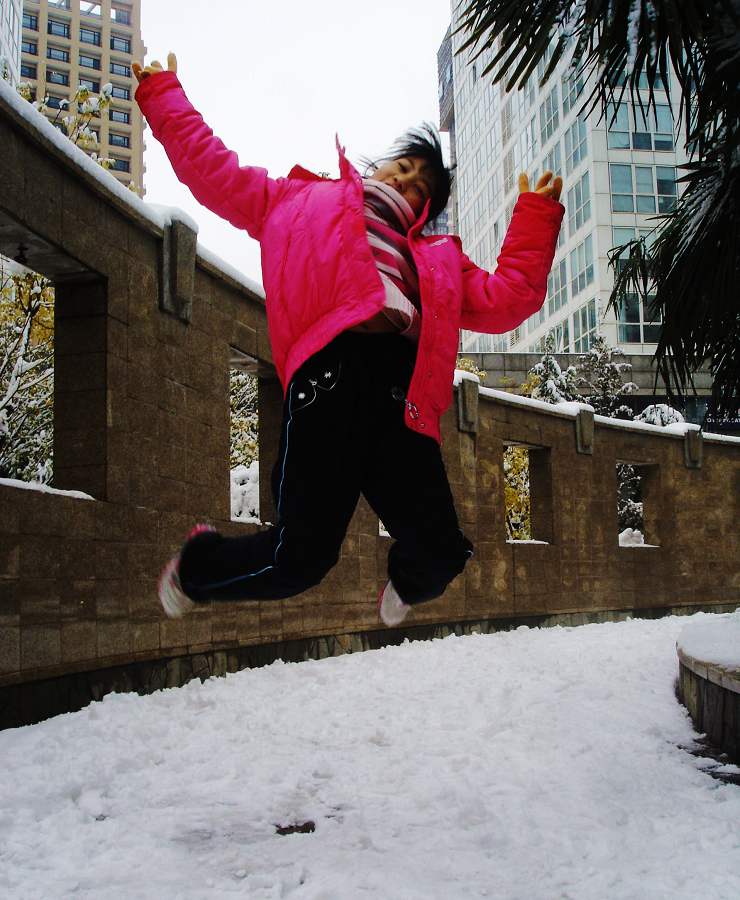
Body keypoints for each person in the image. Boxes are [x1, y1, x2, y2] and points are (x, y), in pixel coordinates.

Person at [133, 53, 564, 627]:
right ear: (381, 167)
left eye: (421, 189)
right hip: (328, 388)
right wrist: (163, 96)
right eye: (404, 168)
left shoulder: (437, 261)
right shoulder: (298, 201)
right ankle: (198, 567)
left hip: (398, 406)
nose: (407, 182)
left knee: (441, 553)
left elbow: (510, 297)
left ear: (425, 213)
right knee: (300, 561)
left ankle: (407, 582)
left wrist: (535, 215)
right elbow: (215, 173)